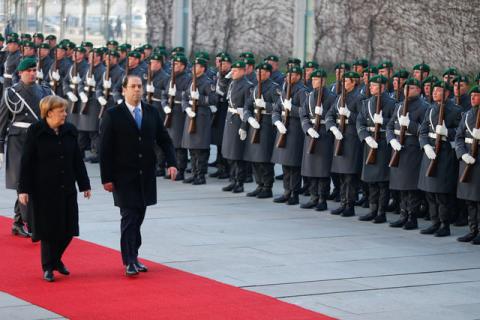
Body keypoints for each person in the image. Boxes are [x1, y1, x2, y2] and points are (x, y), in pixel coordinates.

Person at [100, 75, 177, 277]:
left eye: (139, 86)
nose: (137, 90)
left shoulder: (151, 112)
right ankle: (129, 260)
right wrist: (106, 178)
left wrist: (172, 163)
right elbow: (105, 149)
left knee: (139, 216)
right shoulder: (113, 114)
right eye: (132, 86)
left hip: (145, 174)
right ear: (124, 90)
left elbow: (164, 139)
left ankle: (134, 254)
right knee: (129, 217)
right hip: (123, 176)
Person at [17, 95, 91, 282]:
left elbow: (76, 159)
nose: (65, 114)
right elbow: (26, 162)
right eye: (61, 111)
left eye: (65, 111)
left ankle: (56, 259)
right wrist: (23, 189)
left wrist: (84, 185)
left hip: (66, 186)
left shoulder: (70, 131)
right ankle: (48, 267)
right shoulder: (36, 131)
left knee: (69, 228)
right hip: (43, 190)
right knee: (49, 230)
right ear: (49, 113)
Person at [0, 57, 53, 237]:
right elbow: (2, 121)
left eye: (34, 70)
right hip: (18, 141)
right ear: (20, 73)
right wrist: (0, 147)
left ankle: (17, 222)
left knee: (34, 181)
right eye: (28, 71)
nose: (32, 73)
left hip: (38, 141)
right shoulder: (11, 93)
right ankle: (32, 223)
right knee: (21, 181)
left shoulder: (44, 90)